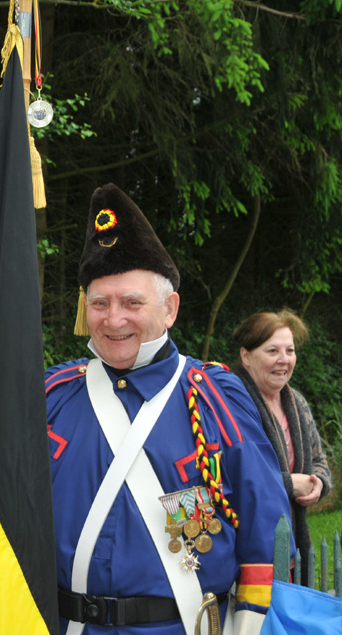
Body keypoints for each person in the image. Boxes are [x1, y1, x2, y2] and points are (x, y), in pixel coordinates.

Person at [44, 184, 292, 635]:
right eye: (99, 303)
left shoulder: (215, 397)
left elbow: (265, 517)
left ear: (170, 308)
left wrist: (250, 622)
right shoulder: (53, 394)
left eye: (132, 303)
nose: (113, 319)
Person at [233, 310, 333, 586]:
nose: (284, 360)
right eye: (272, 350)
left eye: (289, 350)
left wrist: (318, 484)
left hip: (291, 550)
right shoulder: (231, 405)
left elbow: (319, 462)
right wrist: (288, 484)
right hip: (245, 557)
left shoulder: (296, 402)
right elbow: (228, 479)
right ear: (246, 356)